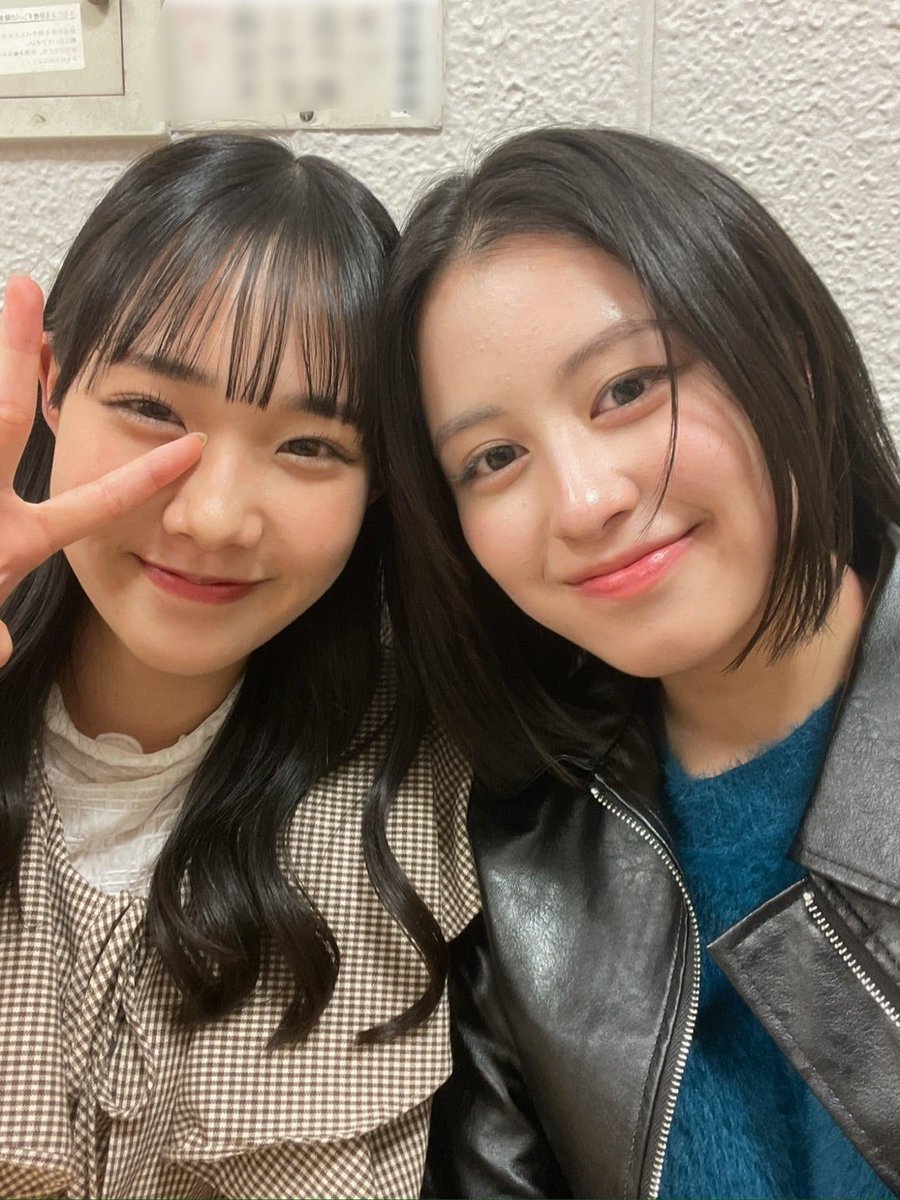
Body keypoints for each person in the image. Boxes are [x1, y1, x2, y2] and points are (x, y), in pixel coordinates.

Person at [377, 127, 900, 1198]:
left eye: (626, 389)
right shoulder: (516, 863)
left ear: (787, 357)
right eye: (494, 458)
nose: (583, 502)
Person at [0, 133, 479, 1200]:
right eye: (153, 411)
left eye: (310, 446)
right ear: (53, 385)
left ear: (381, 479)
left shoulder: (433, 784)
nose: (214, 517)